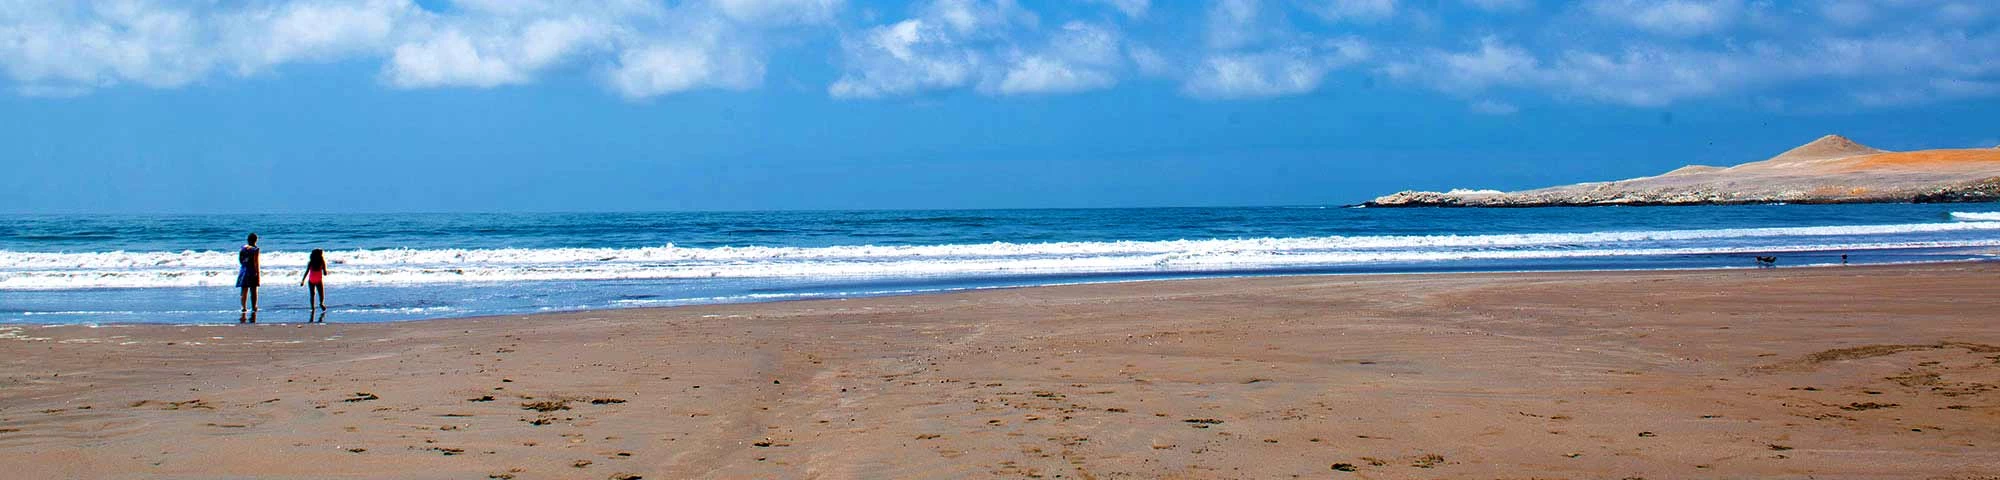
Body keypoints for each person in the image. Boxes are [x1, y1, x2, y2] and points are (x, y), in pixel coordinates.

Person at [237, 233, 261, 316]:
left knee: (244, 290)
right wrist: (257, 273)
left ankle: (243, 307)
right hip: (251, 270)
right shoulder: (255, 249)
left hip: (243, 270)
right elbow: (256, 262)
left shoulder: (243, 248)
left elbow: (240, 260)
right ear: (256, 240)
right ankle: (254, 307)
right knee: (253, 290)